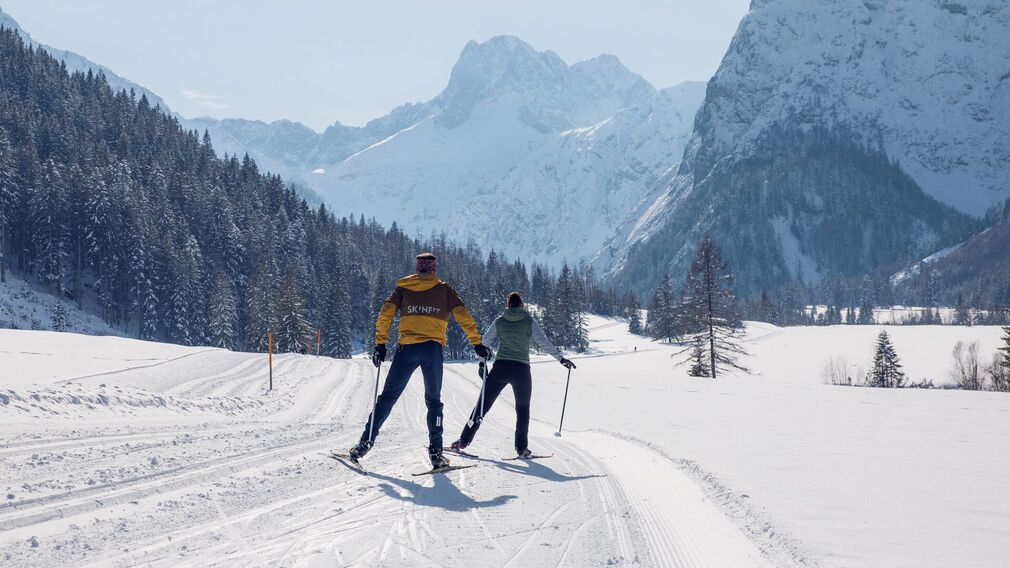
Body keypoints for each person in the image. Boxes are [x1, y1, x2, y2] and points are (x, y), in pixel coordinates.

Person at [347, 252, 491, 469]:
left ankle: (364, 444)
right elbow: (464, 316)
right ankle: (436, 454)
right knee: (433, 402)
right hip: (432, 350)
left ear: (417, 268)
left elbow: (385, 314)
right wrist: (476, 344)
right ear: (433, 269)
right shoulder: (445, 290)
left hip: (407, 349)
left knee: (387, 398)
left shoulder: (403, 288)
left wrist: (380, 344)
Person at [450, 292, 575, 458]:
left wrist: (482, 363)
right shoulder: (529, 322)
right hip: (521, 371)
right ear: (522, 305)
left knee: (482, 406)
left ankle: (463, 441)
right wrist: (561, 359)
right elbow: (543, 342)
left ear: (508, 305)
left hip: (500, 368)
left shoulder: (500, 321)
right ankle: (522, 448)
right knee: (523, 410)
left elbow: (484, 342)